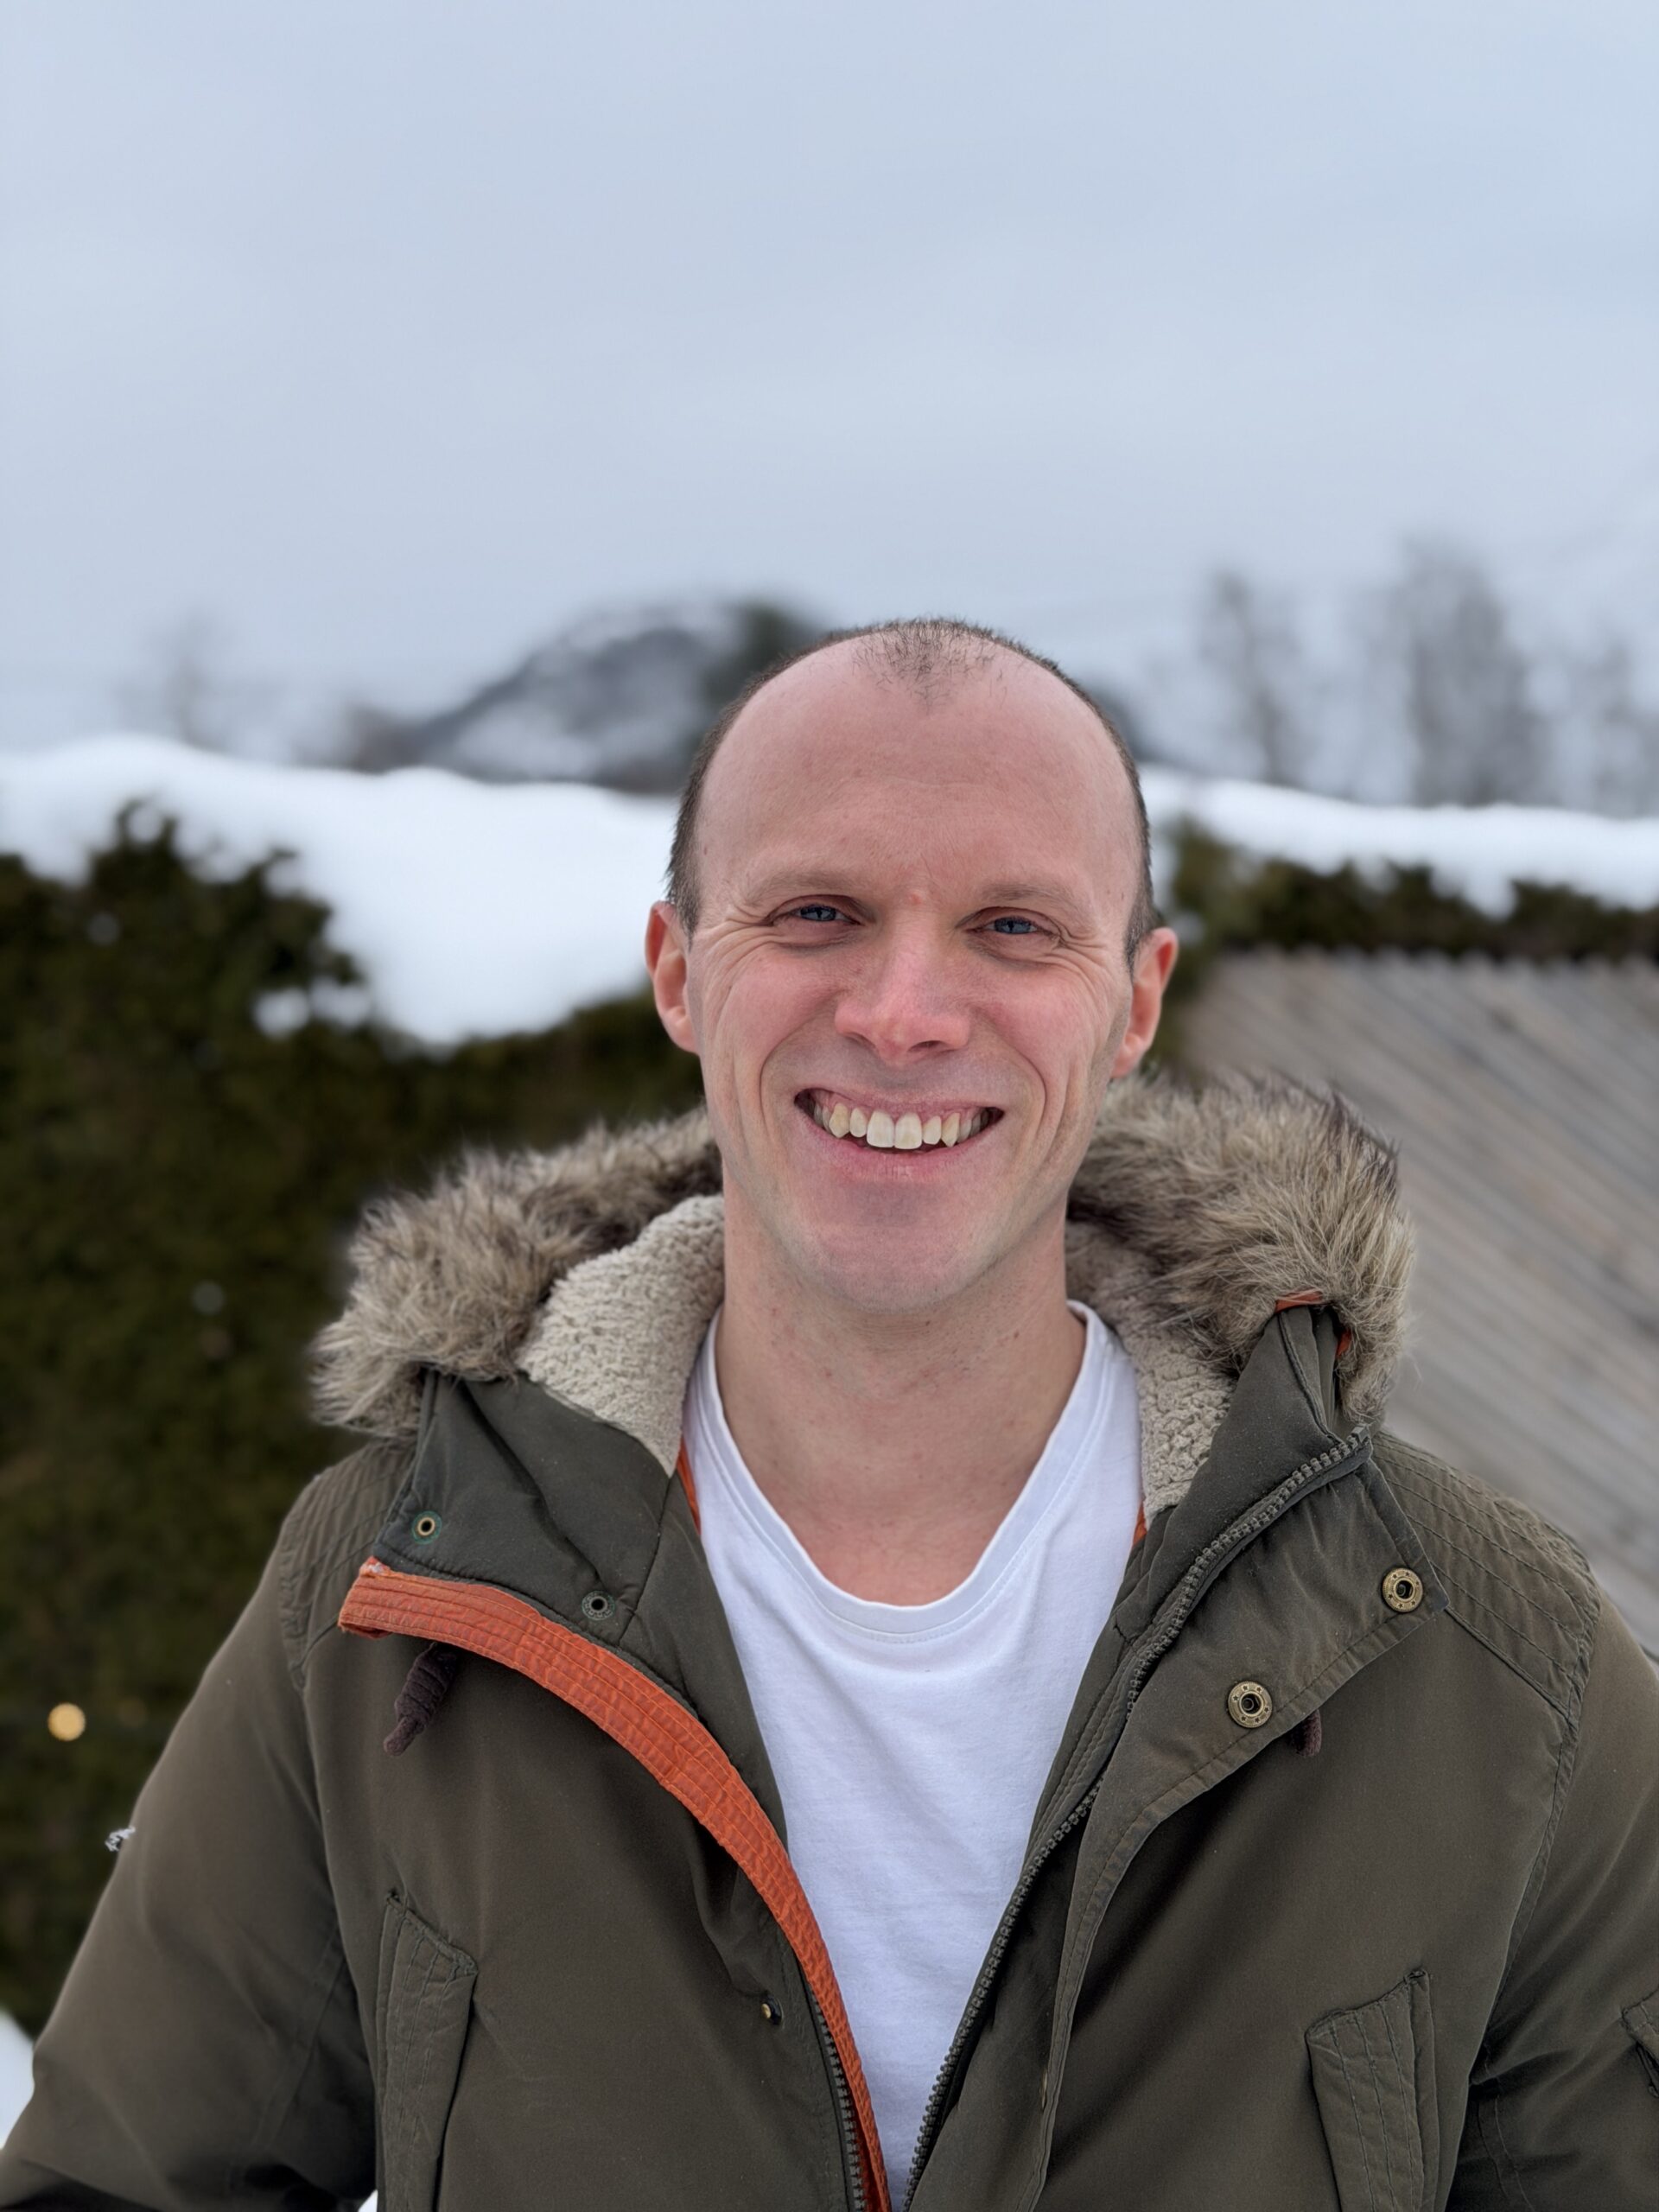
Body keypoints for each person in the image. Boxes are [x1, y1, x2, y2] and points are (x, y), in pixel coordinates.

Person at [3, 619, 1655, 2212]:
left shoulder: (1491, 1657)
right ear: (678, 971)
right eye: (816, 913)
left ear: (1136, 1002)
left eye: (1014, 926)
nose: (904, 1011)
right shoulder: (390, 1595)